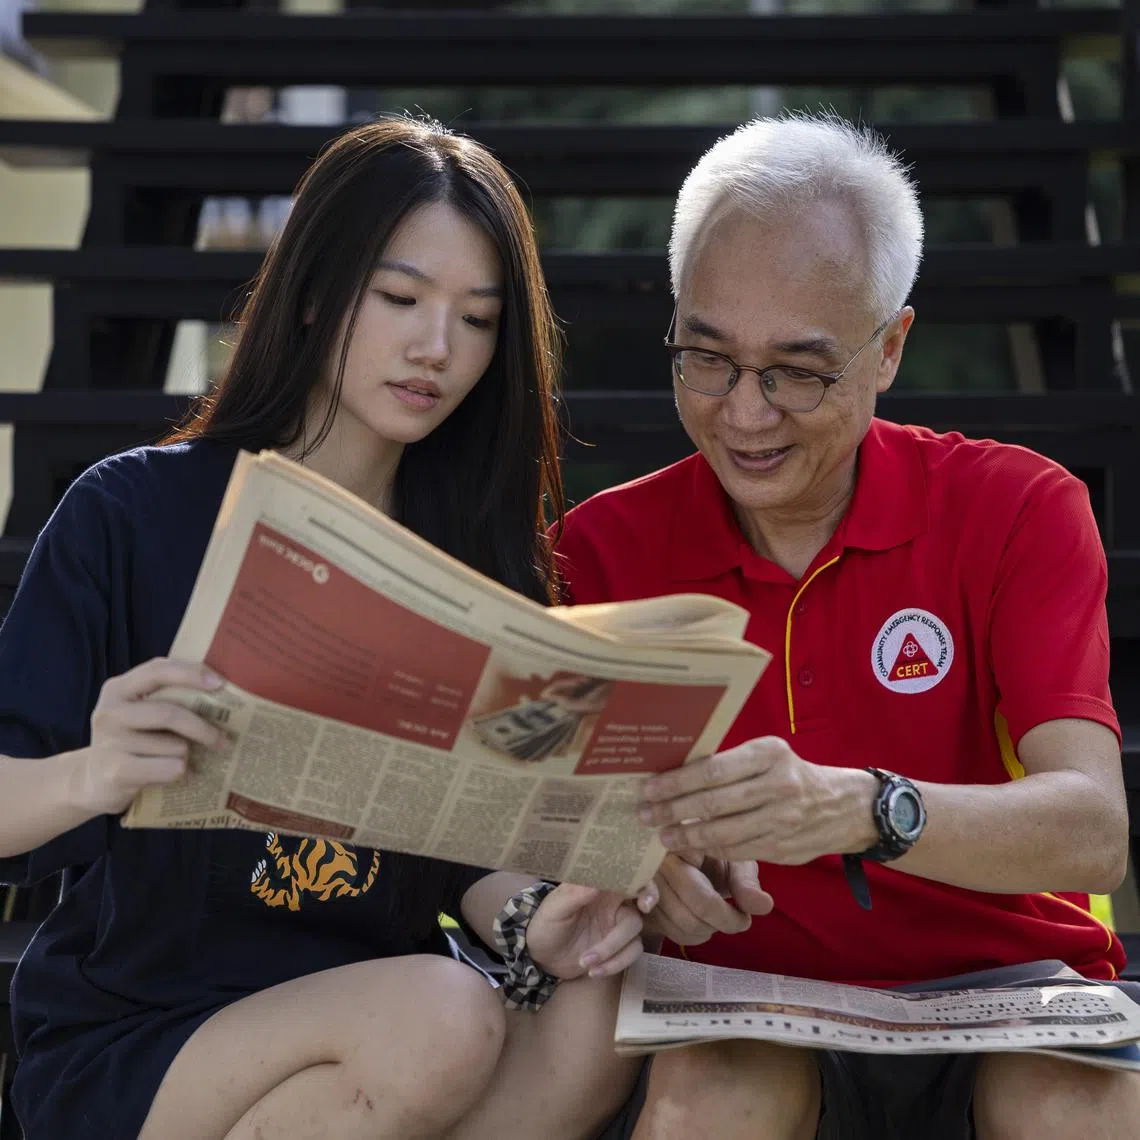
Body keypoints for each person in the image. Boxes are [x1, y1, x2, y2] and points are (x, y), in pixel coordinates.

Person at [0, 118, 646, 1140]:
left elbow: (457, 848)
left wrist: (536, 917)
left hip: (385, 1022)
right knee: (442, 1017)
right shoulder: (131, 513)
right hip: (153, 1031)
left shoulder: (473, 558)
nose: (437, 348)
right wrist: (97, 771)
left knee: (597, 1008)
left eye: (478, 319)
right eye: (400, 299)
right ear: (313, 292)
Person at [557, 114, 1140, 1139]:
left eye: (798, 370)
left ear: (890, 349)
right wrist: (641, 873)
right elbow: (552, 828)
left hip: (1004, 993)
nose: (745, 413)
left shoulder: (1017, 508)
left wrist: (865, 809)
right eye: (707, 358)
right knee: (712, 1102)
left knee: (1069, 1106)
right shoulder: (598, 552)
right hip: (737, 1008)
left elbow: (1093, 833)